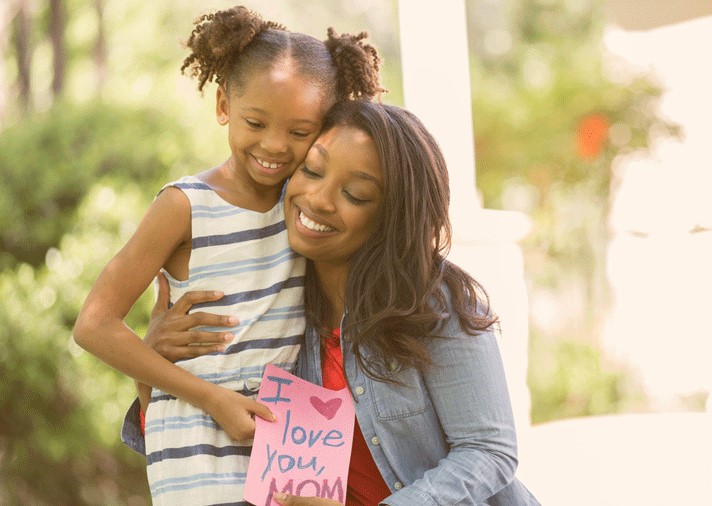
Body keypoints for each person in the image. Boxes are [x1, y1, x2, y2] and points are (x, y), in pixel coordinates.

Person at [132, 100, 540, 505]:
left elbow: (489, 451)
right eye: (311, 170)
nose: (319, 199)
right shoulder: (274, 303)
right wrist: (151, 368)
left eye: (356, 194)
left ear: (391, 218)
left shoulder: (433, 303)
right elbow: (201, 444)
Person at [73, 6, 383, 505]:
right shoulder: (185, 205)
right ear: (223, 105)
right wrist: (211, 397)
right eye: (255, 122)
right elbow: (93, 324)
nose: (274, 145)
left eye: (299, 132)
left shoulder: (306, 210)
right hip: (199, 448)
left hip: (285, 448)